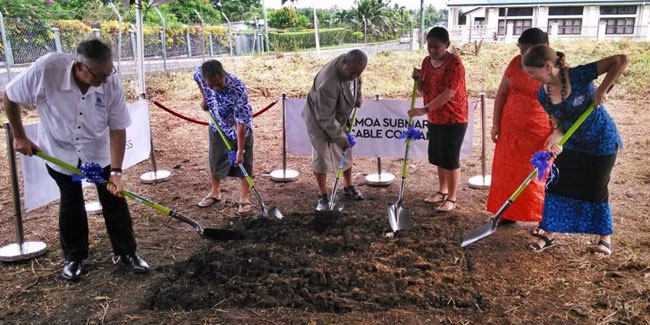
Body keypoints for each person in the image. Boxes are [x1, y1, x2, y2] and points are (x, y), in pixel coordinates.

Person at [3, 39, 149, 281]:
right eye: (99, 75)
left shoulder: (110, 81)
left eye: (108, 72)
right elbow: (9, 96)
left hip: (97, 151)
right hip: (60, 151)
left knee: (114, 198)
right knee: (71, 201)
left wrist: (116, 172)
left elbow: (117, 129)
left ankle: (127, 253)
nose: (105, 80)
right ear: (80, 66)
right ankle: (74, 257)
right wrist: (20, 136)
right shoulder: (46, 70)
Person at [522, 45, 627, 256]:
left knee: (596, 188)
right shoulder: (542, 95)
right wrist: (557, 136)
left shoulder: (578, 75)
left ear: (548, 66)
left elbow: (620, 60)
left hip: (601, 140)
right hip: (573, 142)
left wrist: (601, 90)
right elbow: (559, 122)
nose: (532, 78)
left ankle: (604, 237)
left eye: (533, 73)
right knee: (557, 184)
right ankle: (549, 233)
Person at [486, 28, 551, 230]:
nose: (523, 56)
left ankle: (544, 218)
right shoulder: (515, 63)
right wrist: (496, 123)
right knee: (508, 173)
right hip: (511, 130)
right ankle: (508, 212)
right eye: (521, 51)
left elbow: (563, 105)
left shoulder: (557, 68)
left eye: (527, 52)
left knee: (538, 174)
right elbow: (502, 93)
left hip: (540, 132)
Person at [409, 27, 468, 212]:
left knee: (450, 159)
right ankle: (442, 191)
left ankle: (452, 197)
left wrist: (424, 109)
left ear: (447, 45)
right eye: (429, 46)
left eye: (437, 47)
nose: (433, 51)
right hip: (435, 117)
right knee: (438, 157)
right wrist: (417, 79)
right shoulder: (426, 61)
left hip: (454, 117)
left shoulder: (455, 63)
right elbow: (422, 89)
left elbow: (449, 93)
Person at [302, 49, 367, 207]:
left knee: (345, 151)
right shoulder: (328, 83)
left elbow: (358, 81)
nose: (355, 76)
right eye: (352, 73)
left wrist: (357, 97)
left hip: (338, 115)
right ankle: (323, 195)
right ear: (344, 63)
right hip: (319, 119)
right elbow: (325, 117)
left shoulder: (353, 66)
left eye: (358, 73)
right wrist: (341, 138)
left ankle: (348, 185)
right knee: (322, 156)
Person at [194, 59, 253, 215]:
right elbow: (196, 77)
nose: (215, 88)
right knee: (215, 158)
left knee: (244, 164)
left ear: (223, 74)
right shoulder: (201, 75)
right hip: (217, 125)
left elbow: (241, 122)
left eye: (218, 84)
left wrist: (240, 151)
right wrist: (205, 97)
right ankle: (215, 192)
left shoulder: (237, 89)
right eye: (210, 85)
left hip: (237, 129)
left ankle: (244, 198)